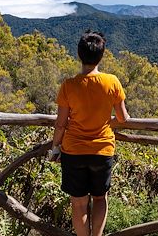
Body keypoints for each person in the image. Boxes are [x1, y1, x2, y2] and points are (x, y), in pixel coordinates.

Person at [49, 30, 130, 236]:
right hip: (102, 150)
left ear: (79, 54)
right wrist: (105, 120)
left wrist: (55, 148)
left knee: (78, 204)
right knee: (100, 198)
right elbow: (123, 118)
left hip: (73, 151)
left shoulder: (69, 85)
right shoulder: (112, 82)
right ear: (101, 55)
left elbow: (60, 124)